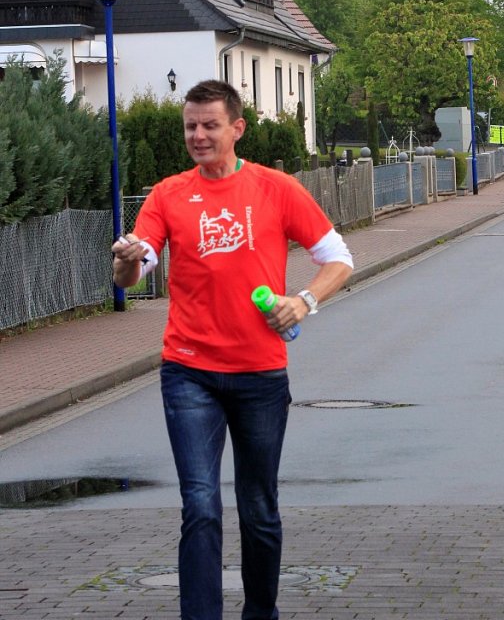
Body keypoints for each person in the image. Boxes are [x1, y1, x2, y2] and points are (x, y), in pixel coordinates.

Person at [112, 80, 353, 620]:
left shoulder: (276, 188)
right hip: (189, 371)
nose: (198, 135)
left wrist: (303, 301)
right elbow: (134, 272)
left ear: (237, 128)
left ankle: (260, 613)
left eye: (209, 125)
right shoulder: (168, 194)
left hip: (260, 374)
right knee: (200, 504)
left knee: (259, 508)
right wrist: (126, 261)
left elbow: (339, 258)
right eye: (190, 126)